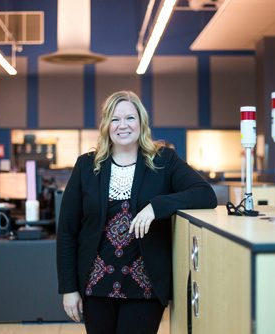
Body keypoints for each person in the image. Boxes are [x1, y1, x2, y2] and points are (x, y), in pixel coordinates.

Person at [57, 91, 217, 334]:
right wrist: (69, 288)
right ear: (106, 125)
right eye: (115, 119)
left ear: (142, 122)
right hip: (94, 286)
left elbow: (205, 194)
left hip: (145, 287)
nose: (123, 125)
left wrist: (157, 206)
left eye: (130, 118)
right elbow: (67, 231)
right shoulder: (87, 166)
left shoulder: (164, 160)